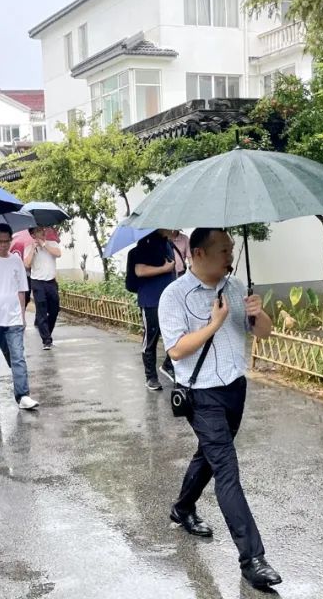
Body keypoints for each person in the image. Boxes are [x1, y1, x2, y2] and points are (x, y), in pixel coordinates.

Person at [158, 228, 281, 590]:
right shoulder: (174, 295)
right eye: (224, 250)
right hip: (201, 394)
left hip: (234, 387)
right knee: (227, 468)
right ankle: (252, 558)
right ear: (198, 253)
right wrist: (214, 324)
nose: (230, 255)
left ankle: (182, 508)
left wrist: (260, 314)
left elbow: (263, 334)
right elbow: (177, 350)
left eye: (231, 249)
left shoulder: (235, 286)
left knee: (211, 456)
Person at [0, 223, 39, 410]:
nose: (3, 245)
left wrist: (21, 315)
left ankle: (23, 395)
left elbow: (22, 289)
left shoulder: (16, 261)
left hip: (12, 318)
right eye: (0, 241)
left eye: (7, 241)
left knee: (18, 357)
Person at [128, 229, 176, 391]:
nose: (173, 228)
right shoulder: (145, 243)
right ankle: (150, 377)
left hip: (169, 299)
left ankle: (168, 365)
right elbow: (139, 270)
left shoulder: (167, 243)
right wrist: (165, 269)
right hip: (151, 299)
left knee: (176, 333)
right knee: (151, 339)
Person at [23, 226, 61, 351]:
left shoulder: (51, 243)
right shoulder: (29, 247)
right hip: (37, 282)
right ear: (33, 234)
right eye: (39, 231)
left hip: (51, 281)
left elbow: (58, 254)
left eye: (43, 230)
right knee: (41, 310)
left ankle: (47, 333)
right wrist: (34, 249)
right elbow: (27, 264)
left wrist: (44, 245)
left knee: (54, 309)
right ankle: (46, 340)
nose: (42, 232)